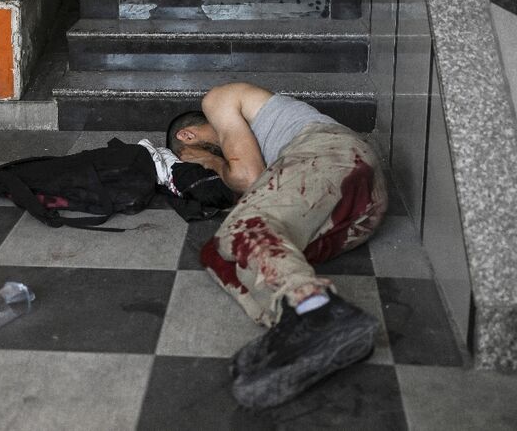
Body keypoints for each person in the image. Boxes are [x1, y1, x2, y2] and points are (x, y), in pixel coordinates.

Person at [166, 82, 388, 409]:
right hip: (358, 205)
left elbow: (246, 175)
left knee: (240, 230)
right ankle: (298, 322)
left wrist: (210, 162)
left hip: (329, 154)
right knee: (219, 255)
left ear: (188, 137)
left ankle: (317, 309)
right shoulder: (271, 148)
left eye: (190, 158)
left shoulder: (219, 98)